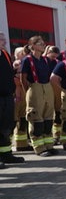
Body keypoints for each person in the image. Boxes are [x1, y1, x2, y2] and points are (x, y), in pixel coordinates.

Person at [20, 36, 57, 157]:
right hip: (35, 88)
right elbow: (23, 78)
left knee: (47, 119)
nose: (43, 45)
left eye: (43, 43)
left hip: (47, 87)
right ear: (33, 46)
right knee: (36, 119)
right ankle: (39, 148)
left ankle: (48, 145)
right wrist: (30, 92)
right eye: (40, 43)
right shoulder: (27, 60)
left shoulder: (45, 60)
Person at [0, 32, 25, 169]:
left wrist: (14, 69)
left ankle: (6, 154)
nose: (4, 42)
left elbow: (9, 74)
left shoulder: (5, 54)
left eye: (4, 39)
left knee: (6, 127)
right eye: (1, 39)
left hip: (7, 97)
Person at [12, 46, 33, 151]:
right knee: (15, 120)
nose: (24, 54)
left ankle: (22, 144)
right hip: (17, 95)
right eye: (22, 53)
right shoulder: (16, 64)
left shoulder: (26, 63)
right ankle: (13, 144)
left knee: (23, 120)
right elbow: (16, 81)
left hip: (24, 93)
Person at [44, 45, 62, 144]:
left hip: (56, 88)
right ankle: (47, 135)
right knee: (47, 113)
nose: (53, 58)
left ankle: (57, 135)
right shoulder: (42, 61)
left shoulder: (58, 63)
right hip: (45, 88)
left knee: (58, 112)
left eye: (55, 56)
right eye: (52, 56)